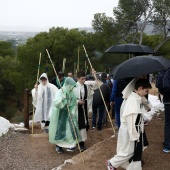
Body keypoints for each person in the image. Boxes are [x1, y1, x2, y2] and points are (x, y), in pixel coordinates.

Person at [107, 78, 152, 170]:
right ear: (139, 88)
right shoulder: (133, 101)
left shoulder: (136, 97)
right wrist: (135, 137)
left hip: (134, 129)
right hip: (130, 131)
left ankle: (132, 167)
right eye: (146, 91)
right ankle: (112, 163)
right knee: (128, 151)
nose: (146, 93)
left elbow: (142, 107)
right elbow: (131, 121)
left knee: (132, 150)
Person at [49, 77, 80, 154]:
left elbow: (74, 102)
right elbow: (56, 103)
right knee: (60, 130)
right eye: (71, 86)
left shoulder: (72, 93)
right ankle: (58, 146)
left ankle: (71, 145)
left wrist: (72, 111)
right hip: (61, 114)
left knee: (71, 129)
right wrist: (62, 100)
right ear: (67, 85)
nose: (72, 88)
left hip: (69, 114)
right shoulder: (60, 92)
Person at [75, 70, 102, 151]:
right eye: (81, 79)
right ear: (77, 78)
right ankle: (77, 142)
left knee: (83, 126)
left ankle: (82, 143)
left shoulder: (87, 85)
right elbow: (70, 99)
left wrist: (95, 75)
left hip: (84, 108)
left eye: (84, 79)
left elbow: (98, 84)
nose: (83, 80)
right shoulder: (74, 87)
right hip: (76, 109)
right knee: (78, 125)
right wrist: (77, 102)